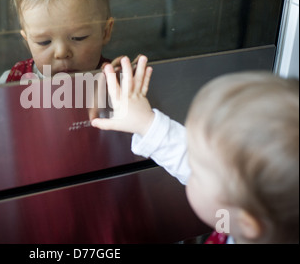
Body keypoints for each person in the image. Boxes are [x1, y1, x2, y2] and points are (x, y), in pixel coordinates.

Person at [91, 55, 299, 244]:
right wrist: (146, 123)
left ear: (247, 224)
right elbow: (183, 153)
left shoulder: (228, 218)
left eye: (197, 172)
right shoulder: (236, 215)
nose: (188, 164)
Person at [0, 0, 115, 84]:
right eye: (44, 42)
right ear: (27, 41)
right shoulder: (13, 82)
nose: (61, 53)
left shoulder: (119, 80)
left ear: (105, 32)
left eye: (78, 37)